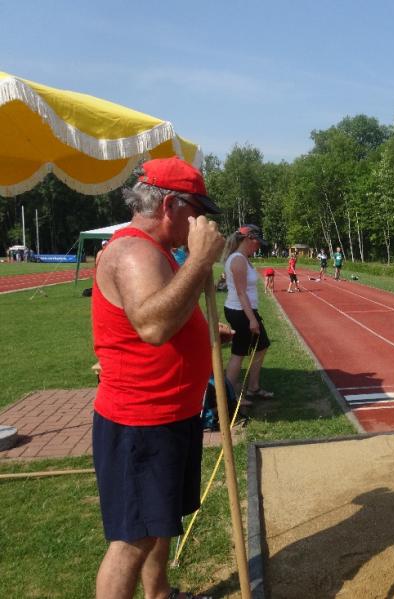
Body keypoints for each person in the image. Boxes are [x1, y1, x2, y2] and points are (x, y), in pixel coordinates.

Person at [91, 156, 223, 599]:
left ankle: (159, 593)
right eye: (197, 211)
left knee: (158, 523)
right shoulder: (133, 252)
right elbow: (152, 326)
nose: (201, 222)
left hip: (169, 414)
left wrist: (202, 330)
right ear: (170, 205)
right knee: (133, 539)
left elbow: (166, 311)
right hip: (141, 421)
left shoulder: (157, 251)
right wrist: (200, 261)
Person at [223, 225, 273, 403]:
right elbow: (241, 292)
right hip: (240, 312)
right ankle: (229, 397)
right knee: (239, 352)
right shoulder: (238, 259)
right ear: (247, 239)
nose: (258, 246)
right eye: (257, 242)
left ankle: (253, 387)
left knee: (262, 345)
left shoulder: (243, 258)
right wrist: (252, 319)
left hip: (245, 310)